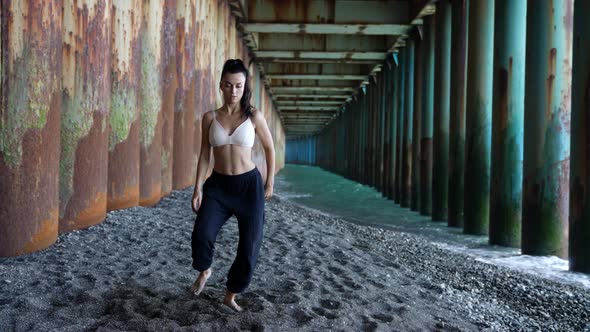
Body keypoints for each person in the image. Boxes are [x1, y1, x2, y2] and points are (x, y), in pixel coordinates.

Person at [190, 59, 275, 312]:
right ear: (221, 86)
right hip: (218, 186)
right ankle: (205, 271)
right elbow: (205, 155)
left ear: (244, 86)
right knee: (202, 234)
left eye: (238, 86)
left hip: (249, 187)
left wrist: (269, 182)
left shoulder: (254, 116)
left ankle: (230, 294)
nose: (233, 91)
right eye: (228, 85)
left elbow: (269, 148)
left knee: (249, 247)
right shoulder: (209, 118)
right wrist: (198, 188)